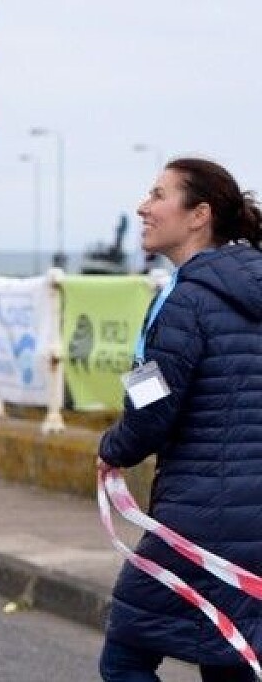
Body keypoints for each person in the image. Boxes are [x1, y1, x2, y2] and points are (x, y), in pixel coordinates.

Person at [97, 157, 262, 681]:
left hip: (202, 517)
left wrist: (113, 447)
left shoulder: (184, 300)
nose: (143, 207)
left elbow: (151, 408)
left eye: (159, 194)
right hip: (252, 518)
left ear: (199, 215)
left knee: (125, 657)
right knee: (230, 659)